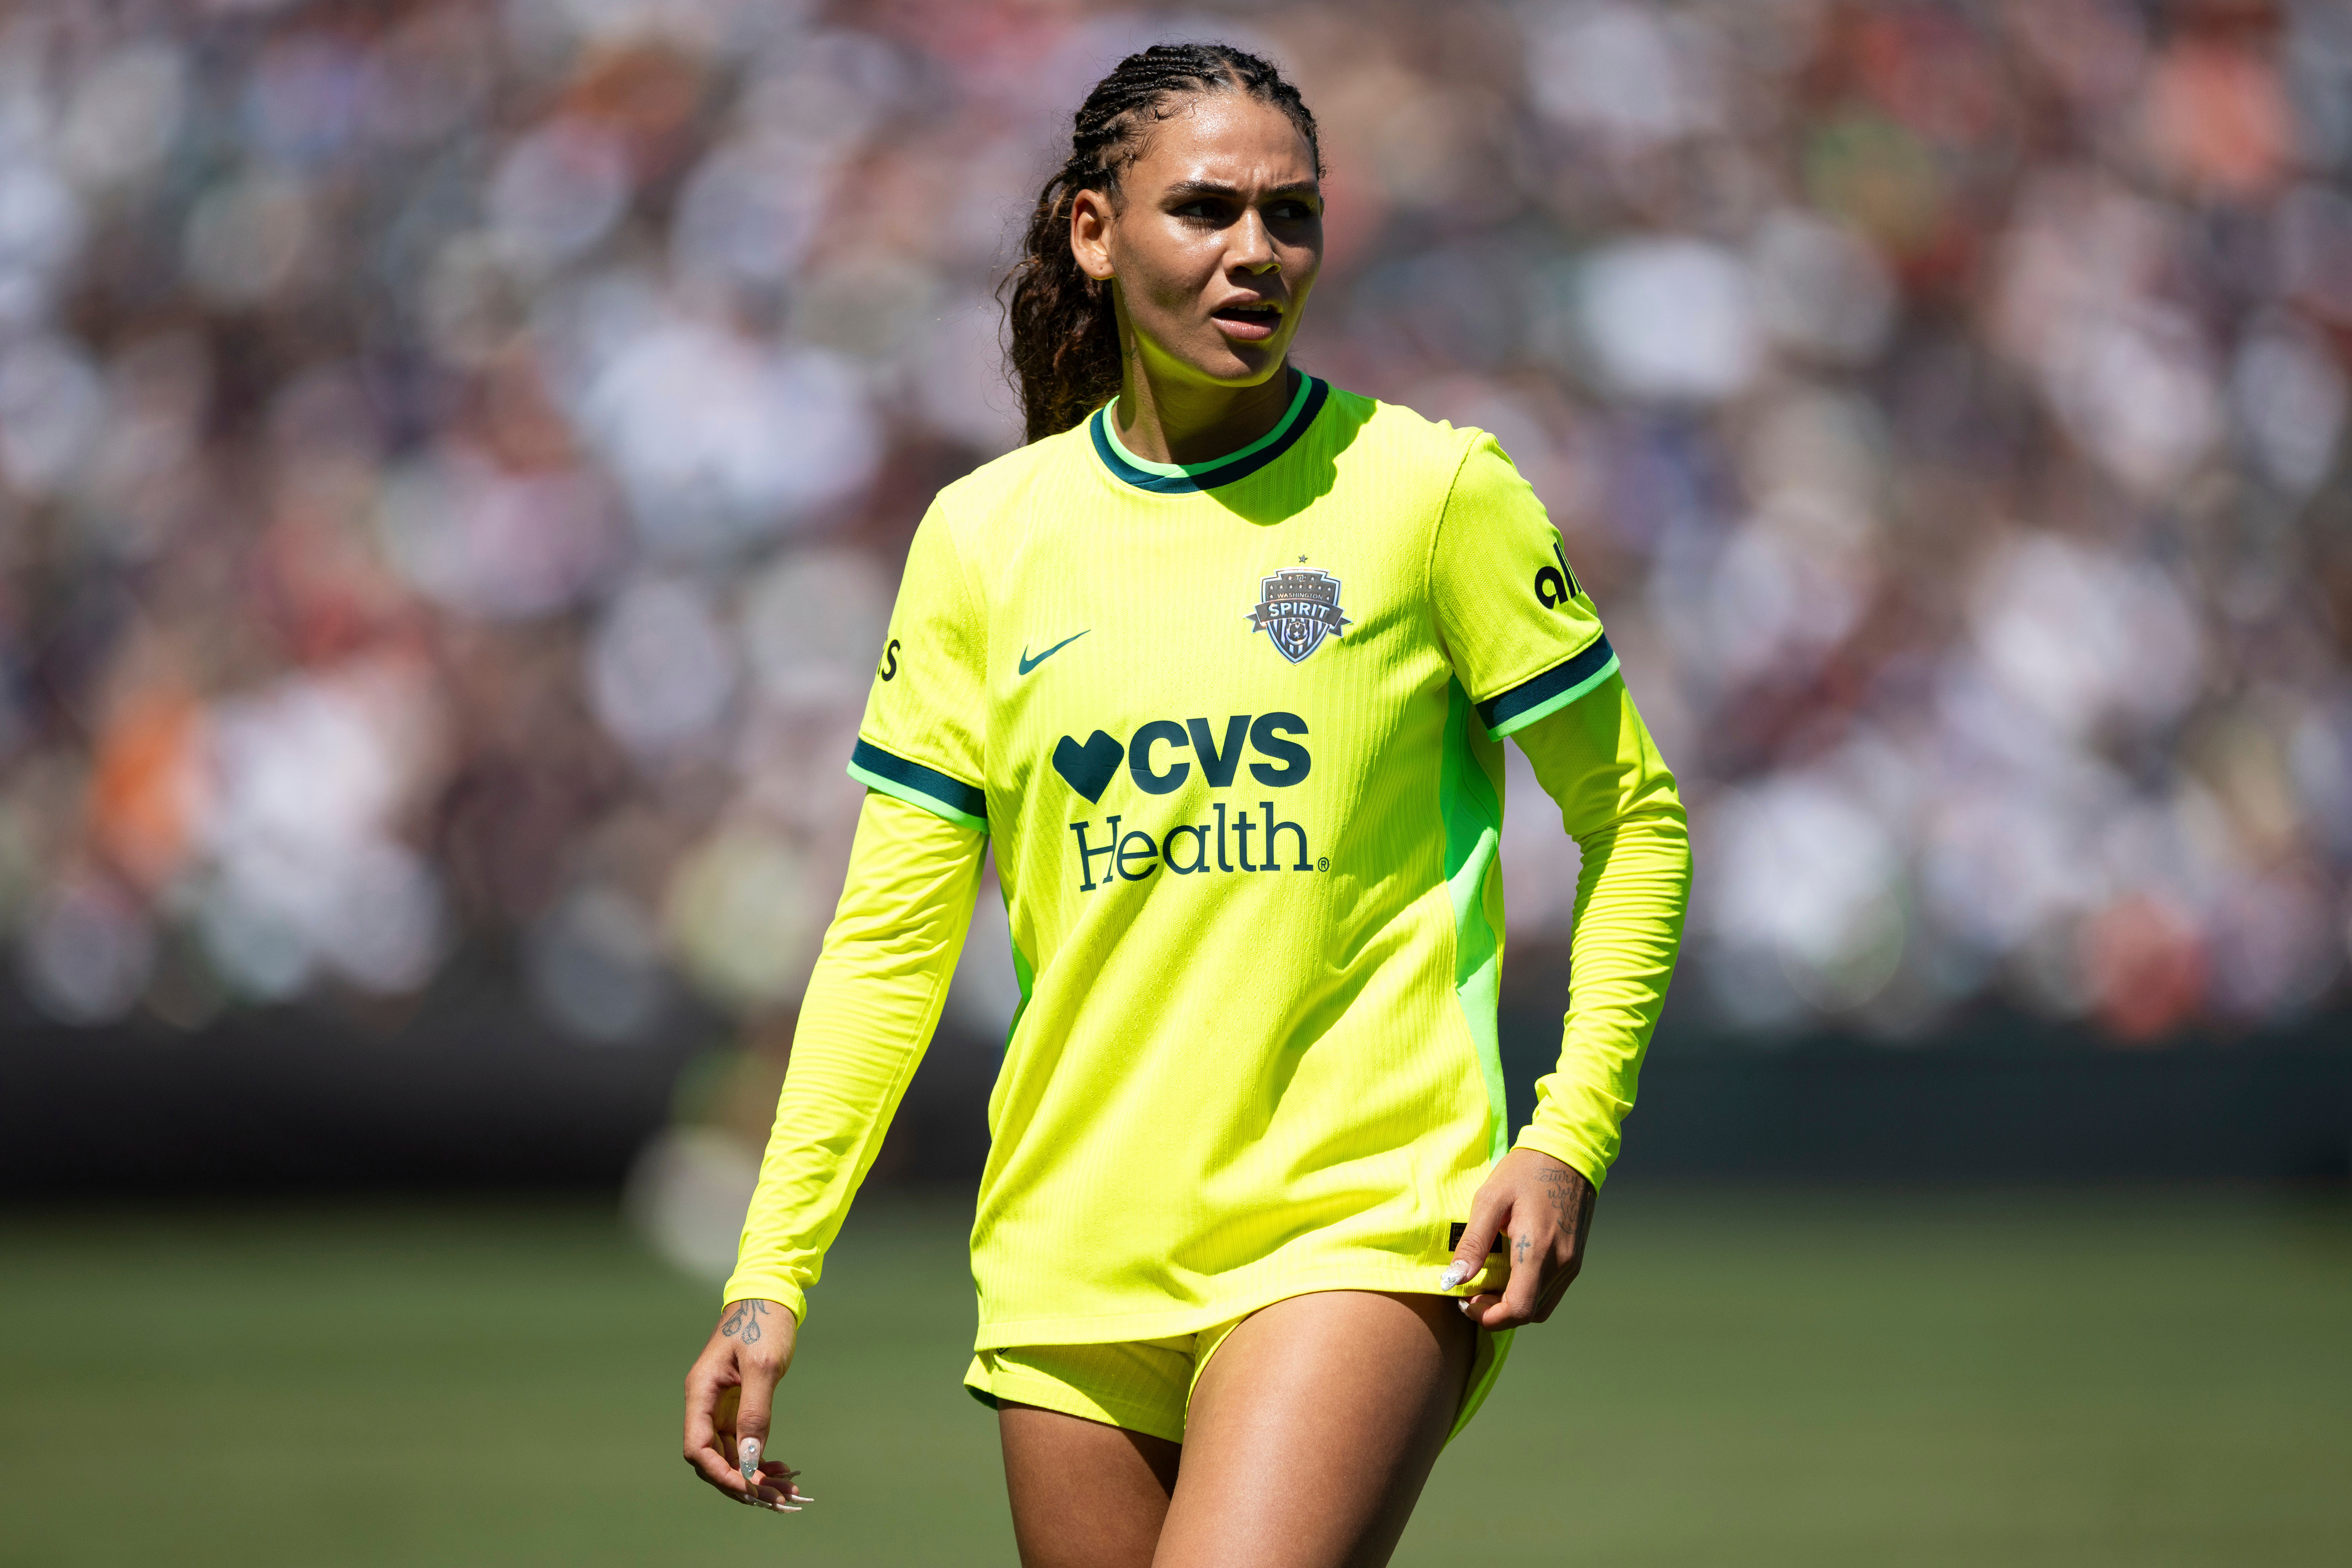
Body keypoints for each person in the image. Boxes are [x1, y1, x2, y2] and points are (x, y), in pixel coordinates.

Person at [681, 41, 1691, 1568]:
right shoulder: (983, 543)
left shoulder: (1432, 495)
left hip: (1358, 1221)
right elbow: (890, 943)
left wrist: (1566, 1136)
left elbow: (1637, 824)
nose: (1256, 255)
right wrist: (773, 1273)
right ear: (1094, 234)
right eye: (1206, 210)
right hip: (1071, 1256)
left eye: (1292, 217)